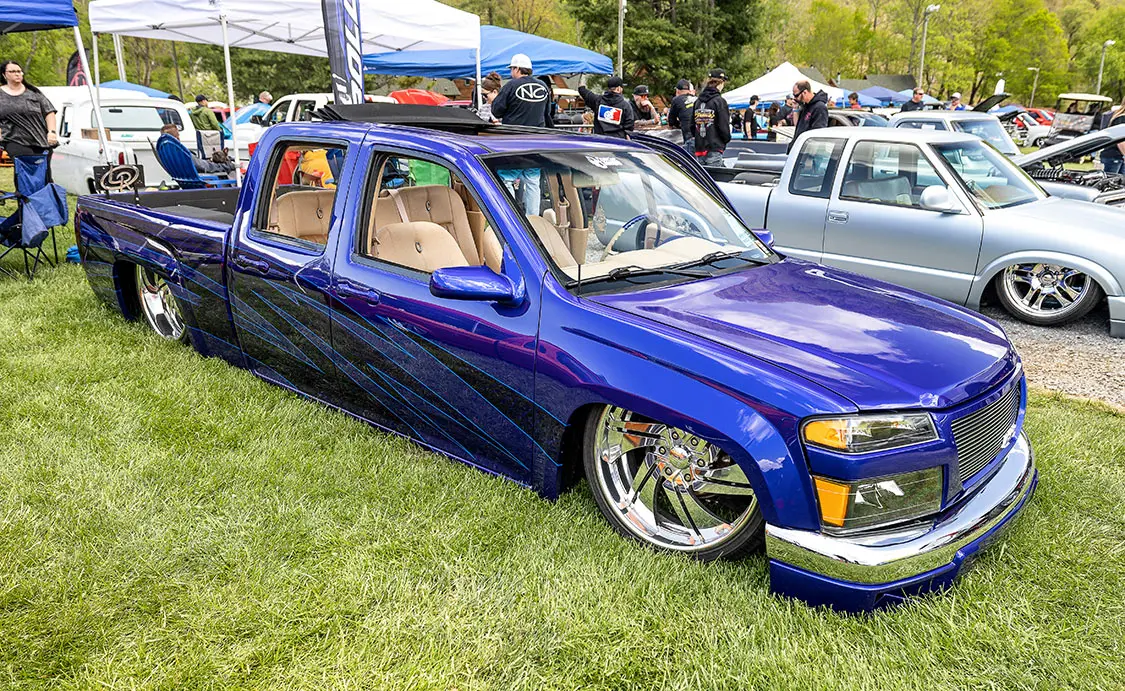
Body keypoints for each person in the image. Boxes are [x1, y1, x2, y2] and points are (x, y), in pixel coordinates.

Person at [0, 60, 58, 187]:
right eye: (12, 71)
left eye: (19, 71)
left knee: (44, 177)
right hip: (14, 140)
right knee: (25, 171)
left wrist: (52, 132)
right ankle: (25, 197)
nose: (17, 74)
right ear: (4, 75)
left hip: (41, 141)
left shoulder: (34, 93)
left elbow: (49, 112)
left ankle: (44, 198)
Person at [490, 53, 548, 127]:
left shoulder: (510, 85)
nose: (511, 73)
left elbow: (497, 111)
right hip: (538, 132)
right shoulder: (543, 85)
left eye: (511, 69)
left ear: (517, 69)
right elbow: (547, 112)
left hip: (515, 131)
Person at [159, 123, 235, 177]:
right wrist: (229, 166)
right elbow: (206, 167)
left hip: (187, 178)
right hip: (206, 174)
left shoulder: (167, 152)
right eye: (178, 134)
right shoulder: (183, 153)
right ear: (177, 138)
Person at [691, 68, 731, 165]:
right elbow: (723, 126)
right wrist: (725, 140)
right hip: (715, 147)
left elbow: (692, 125)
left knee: (701, 174)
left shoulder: (697, 102)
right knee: (714, 174)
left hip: (700, 148)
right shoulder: (720, 101)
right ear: (721, 83)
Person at [789, 79, 829, 151]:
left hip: (811, 151)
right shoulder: (806, 106)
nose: (794, 99)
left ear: (805, 92)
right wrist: (795, 109)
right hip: (801, 148)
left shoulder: (819, 107)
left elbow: (818, 134)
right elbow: (798, 126)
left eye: (796, 95)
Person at [1099, 97, 1125, 175]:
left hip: (1117, 156)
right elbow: (1120, 140)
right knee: (1111, 179)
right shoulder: (1122, 119)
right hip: (1114, 155)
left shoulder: (1119, 117)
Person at [666, 79, 696, 147]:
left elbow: (671, 121)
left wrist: (678, 125)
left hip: (690, 135)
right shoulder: (696, 99)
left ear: (677, 91)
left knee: (688, 153)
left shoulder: (676, 100)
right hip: (702, 134)